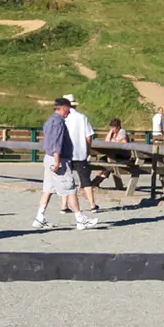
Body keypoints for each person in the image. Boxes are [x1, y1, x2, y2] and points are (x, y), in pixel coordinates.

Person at [32, 97, 80, 229]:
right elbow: (56, 143)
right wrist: (57, 161)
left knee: (48, 189)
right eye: (68, 109)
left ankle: (39, 217)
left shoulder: (49, 121)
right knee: (70, 188)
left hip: (48, 157)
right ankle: (80, 219)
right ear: (63, 107)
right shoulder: (58, 122)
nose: (69, 112)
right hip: (57, 159)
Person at [61, 94, 100, 227]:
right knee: (85, 179)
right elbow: (89, 137)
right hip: (80, 152)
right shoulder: (82, 117)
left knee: (66, 179)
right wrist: (88, 150)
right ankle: (92, 204)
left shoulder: (62, 118)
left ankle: (64, 205)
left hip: (66, 153)